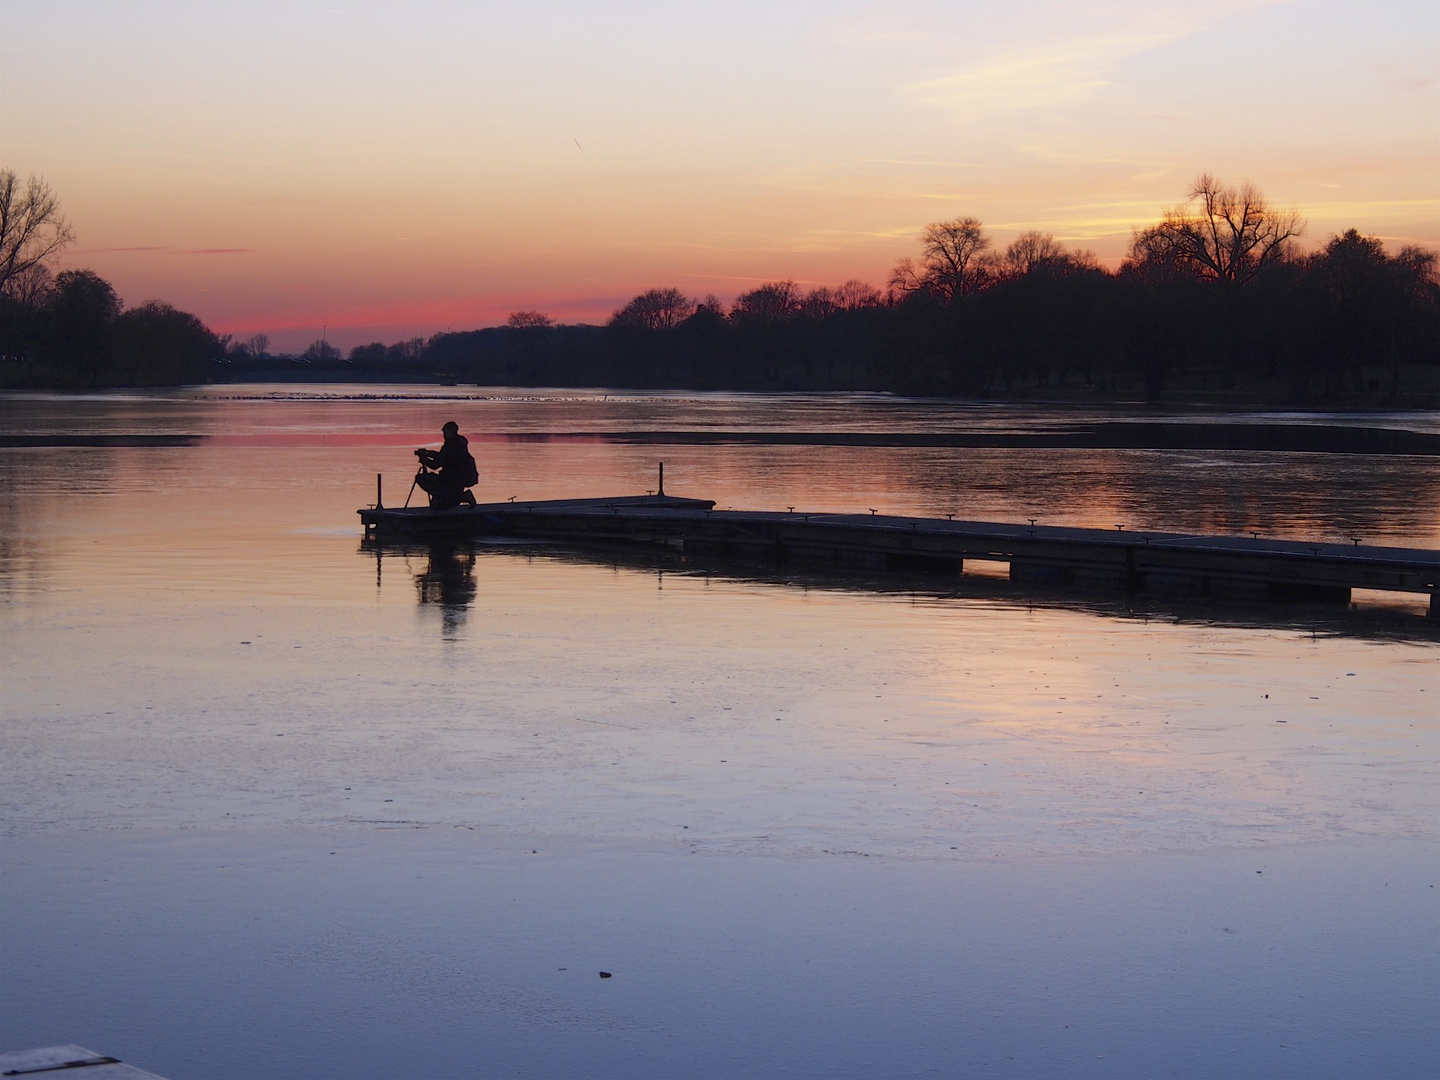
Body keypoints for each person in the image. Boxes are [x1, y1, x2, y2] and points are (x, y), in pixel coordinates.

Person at [414, 421, 479, 509]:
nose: (444, 435)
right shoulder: (458, 445)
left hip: (451, 480)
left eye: (445, 432)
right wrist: (428, 453)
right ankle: (447, 497)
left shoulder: (450, 446)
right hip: (456, 480)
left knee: (422, 478)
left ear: (451, 432)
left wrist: (424, 459)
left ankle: (461, 497)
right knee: (437, 506)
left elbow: (435, 465)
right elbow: (444, 458)